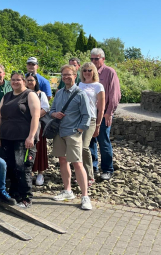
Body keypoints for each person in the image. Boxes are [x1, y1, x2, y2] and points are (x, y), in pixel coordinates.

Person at [0, 71, 40, 207]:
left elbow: (35, 116)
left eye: (18, 80)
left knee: (23, 167)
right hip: (6, 138)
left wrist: (31, 136)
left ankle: (26, 197)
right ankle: (13, 194)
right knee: (10, 167)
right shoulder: (6, 96)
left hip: (23, 138)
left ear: (24, 81)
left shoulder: (30, 95)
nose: (15, 82)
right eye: (13, 80)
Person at [50, 64, 92, 210]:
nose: (66, 77)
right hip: (59, 132)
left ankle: (85, 196)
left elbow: (87, 115)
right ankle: (68, 191)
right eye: (64, 75)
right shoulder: (59, 92)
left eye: (69, 74)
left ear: (75, 76)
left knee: (77, 163)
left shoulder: (81, 94)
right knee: (62, 161)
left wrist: (79, 130)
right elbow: (52, 110)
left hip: (73, 133)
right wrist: (54, 114)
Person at [88, 48, 121, 181]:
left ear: (103, 59)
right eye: (92, 59)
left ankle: (107, 169)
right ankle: (93, 168)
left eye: (96, 58)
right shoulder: (88, 73)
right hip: (89, 114)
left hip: (103, 113)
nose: (94, 61)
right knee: (90, 141)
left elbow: (115, 95)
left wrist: (109, 113)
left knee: (103, 141)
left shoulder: (109, 72)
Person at [78, 62, 105, 187]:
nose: (87, 73)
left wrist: (98, 125)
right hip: (78, 119)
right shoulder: (79, 85)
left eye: (89, 70)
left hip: (91, 119)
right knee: (76, 147)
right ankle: (79, 174)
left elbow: (101, 107)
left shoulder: (98, 86)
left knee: (84, 147)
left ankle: (89, 175)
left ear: (93, 72)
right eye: (84, 70)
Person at [25, 72, 50, 186]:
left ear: (36, 82)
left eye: (32, 80)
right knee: (26, 149)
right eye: (28, 80)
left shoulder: (41, 94)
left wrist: (34, 116)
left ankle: (40, 172)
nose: (30, 82)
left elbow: (45, 108)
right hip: (24, 125)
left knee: (39, 148)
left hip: (38, 125)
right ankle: (29, 172)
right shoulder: (23, 94)